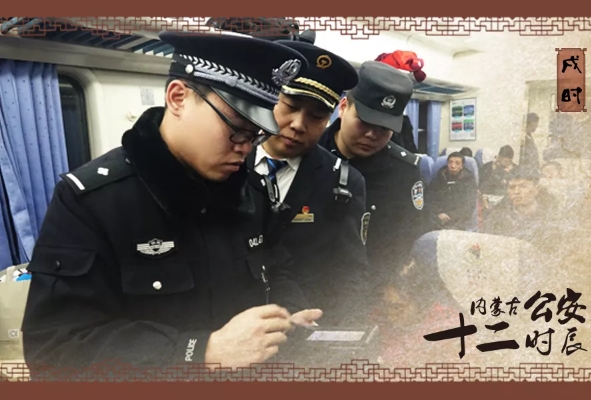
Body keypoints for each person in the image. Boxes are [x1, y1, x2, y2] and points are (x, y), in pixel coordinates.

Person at [21, 31, 323, 380]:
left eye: (256, 135)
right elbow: (57, 350)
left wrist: (287, 313)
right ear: (178, 97)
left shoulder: (251, 190)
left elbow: (277, 267)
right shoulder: (93, 202)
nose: (245, 148)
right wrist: (199, 351)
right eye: (237, 128)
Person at [245, 40, 369, 326]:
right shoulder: (230, 162)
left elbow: (352, 272)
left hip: (309, 325)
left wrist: (339, 334)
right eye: (290, 106)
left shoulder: (343, 182)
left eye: (316, 116)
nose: (299, 125)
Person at [319, 61, 426, 291]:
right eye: (365, 121)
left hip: (374, 289)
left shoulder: (403, 170)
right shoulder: (309, 154)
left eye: (383, 128)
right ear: (344, 107)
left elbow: (407, 235)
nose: (371, 134)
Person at [427, 152, 478, 230]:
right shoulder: (439, 178)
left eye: (457, 163)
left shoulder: (468, 180)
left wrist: (449, 216)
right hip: (437, 217)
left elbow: (469, 205)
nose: (453, 166)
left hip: (459, 220)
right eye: (450, 162)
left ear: (462, 166)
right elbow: (429, 198)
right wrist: (438, 213)